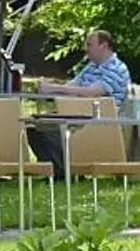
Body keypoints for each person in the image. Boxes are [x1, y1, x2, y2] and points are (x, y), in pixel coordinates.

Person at [26, 28, 134, 176]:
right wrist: (50, 88)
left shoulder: (116, 69)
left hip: (99, 119)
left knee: (46, 130)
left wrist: (53, 88)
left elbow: (92, 93)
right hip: (78, 113)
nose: (86, 49)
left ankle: (65, 171)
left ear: (104, 45)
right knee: (32, 126)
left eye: (89, 45)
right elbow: (72, 86)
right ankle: (57, 170)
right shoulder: (91, 66)